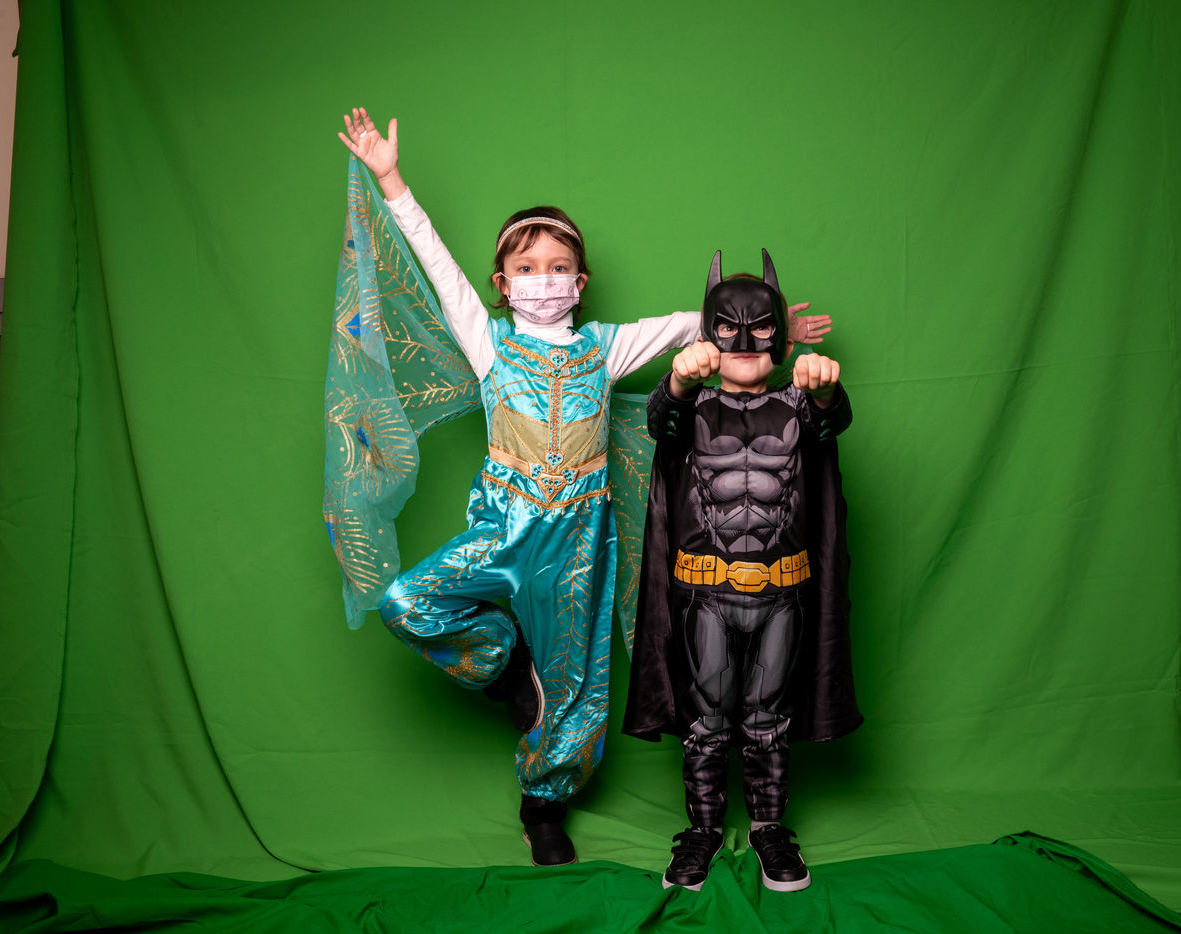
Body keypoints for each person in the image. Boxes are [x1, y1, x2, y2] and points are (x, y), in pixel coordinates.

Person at [334, 108, 833, 867]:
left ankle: (543, 807)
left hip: (577, 538)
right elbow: (437, 267)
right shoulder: (487, 342)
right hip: (504, 524)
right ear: (502, 284)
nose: (544, 279)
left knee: (574, 682)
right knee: (408, 602)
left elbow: (689, 326)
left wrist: (767, 328)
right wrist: (391, 179)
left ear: (581, 281)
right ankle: (508, 669)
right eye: (527, 268)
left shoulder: (604, 349)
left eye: (558, 265)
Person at [623, 250, 862, 892]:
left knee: (767, 718)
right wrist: (677, 380)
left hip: (783, 591)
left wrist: (825, 386)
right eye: (729, 327)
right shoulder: (693, 406)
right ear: (708, 335)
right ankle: (702, 830)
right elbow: (661, 420)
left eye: (762, 328)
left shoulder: (799, 405)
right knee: (706, 719)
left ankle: (768, 829)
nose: (746, 342)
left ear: (781, 339)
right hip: (705, 592)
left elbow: (833, 419)